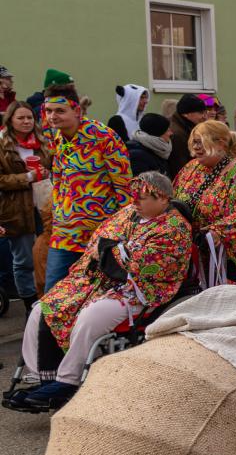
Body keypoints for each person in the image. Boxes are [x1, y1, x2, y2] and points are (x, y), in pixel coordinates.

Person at [6, 172, 192, 412]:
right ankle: (44, 376)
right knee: (44, 307)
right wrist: (113, 249)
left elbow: (147, 262)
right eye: (133, 196)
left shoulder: (175, 227)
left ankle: (68, 380)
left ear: (164, 198)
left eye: (142, 198)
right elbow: (101, 239)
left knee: (91, 316)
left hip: (140, 289)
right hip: (100, 280)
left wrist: (110, 250)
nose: (135, 201)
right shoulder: (129, 212)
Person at [42, 84, 132, 292]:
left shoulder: (104, 137)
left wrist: (123, 230)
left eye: (60, 110)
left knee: (94, 294)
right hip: (64, 233)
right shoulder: (57, 137)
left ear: (77, 110)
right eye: (49, 111)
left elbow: (124, 187)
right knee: (52, 292)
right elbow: (59, 181)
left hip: (100, 234)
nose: (53, 116)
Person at [173, 120, 236, 288]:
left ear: (221, 143)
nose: (196, 148)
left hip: (230, 257)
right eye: (194, 143)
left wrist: (218, 232)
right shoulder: (190, 169)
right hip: (197, 254)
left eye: (201, 142)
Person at [0, 102, 51, 315]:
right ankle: (30, 304)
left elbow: (53, 166)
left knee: (47, 253)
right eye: (21, 118)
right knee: (24, 260)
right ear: (10, 120)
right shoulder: (3, 145)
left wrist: (45, 172)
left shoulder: (41, 142)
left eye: (29, 117)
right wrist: (28, 177)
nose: (26, 121)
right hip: (16, 209)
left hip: (44, 205)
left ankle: (47, 298)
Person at [167, 93, 208, 178]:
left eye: (205, 112)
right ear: (186, 114)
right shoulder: (177, 134)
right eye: (200, 113)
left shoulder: (187, 125)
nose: (205, 117)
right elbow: (180, 166)